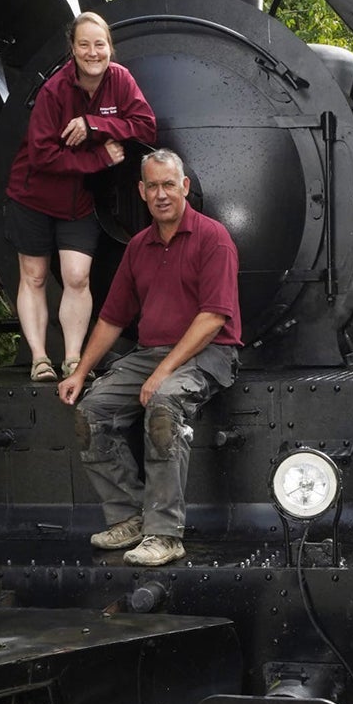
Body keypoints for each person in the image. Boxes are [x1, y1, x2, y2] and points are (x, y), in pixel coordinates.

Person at [57, 150, 240, 568]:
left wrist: (161, 373)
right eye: (153, 186)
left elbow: (213, 319)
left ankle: (165, 534)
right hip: (152, 353)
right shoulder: (139, 246)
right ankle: (129, 517)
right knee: (92, 412)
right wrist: (80, 372)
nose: (161, 194)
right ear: (141, 191)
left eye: (169, 184)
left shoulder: (214, 238)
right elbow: (112, 317)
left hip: (210, 352)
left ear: (185, 187)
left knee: (163, 405)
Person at [4, 11, 157, 382]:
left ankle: (73, 358)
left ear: (110, 48)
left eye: (100, 45)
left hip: (80, 202)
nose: (93, 53)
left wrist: (95, 125)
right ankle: (40, 358)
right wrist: (99, 157)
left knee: (76, 276)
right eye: (84, 45)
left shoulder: (119, 80)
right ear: (72, 49)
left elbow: (146, 127)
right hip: (34, 195)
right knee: (35, 276)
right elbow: (41, 155)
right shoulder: (54, 91)